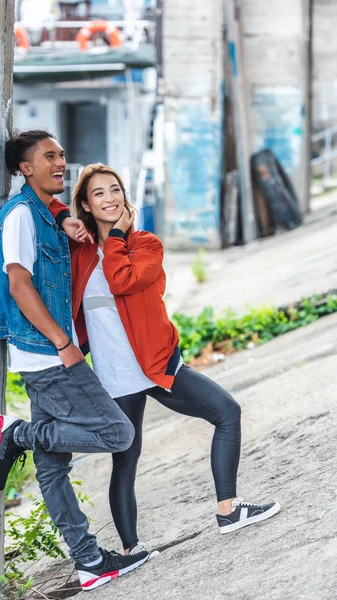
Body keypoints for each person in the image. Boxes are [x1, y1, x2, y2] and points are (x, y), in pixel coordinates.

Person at [49, 163, 281, 555]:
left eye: (115, 189)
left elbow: (123, 279)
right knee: (126, 460)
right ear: (85, 205)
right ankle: (131, 550)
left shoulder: (147, 245)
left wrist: (119, 235)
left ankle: (228, 508)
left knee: (227, 412)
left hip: (156, 365)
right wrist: (63, 217)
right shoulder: (80, 254)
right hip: (115, 375)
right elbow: (47, 212)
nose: (110, 198)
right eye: (99, 193)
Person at [0, 131, 150, 592]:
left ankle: (87, 562)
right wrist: (63, 342)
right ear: (25, 168)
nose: (60, 162)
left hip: (44, 353)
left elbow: (62, 222)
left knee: (53, 465)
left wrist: (64, 217)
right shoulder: (20, 216)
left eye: (61, 155)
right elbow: (19, 284)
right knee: (117, 432)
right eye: (49, 157)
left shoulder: (46, 213)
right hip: (47, 354)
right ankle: (16, 433)